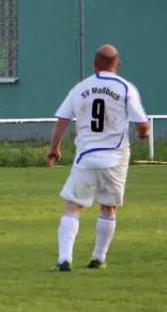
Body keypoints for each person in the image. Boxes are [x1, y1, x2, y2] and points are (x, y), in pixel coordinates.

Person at [47, 44, 150, 271]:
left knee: (73, 206)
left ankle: (65, 259)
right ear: (118, 64)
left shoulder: (81, 88)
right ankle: (99, 257)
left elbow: (63, 120)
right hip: (115, 157)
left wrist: (54, 148)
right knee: (109, 206)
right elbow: (142, 123)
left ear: (95, 64)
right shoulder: (125, 88)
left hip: (86, 156)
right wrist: (144, 134)